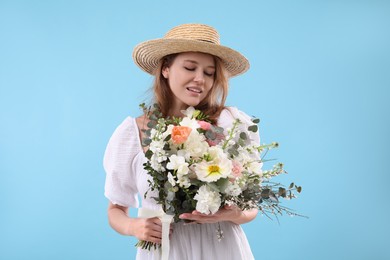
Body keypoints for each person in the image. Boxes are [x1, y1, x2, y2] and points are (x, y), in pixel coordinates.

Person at [103, 23, 260, 260]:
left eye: (209, 73)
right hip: (165, 249)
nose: (200, 79)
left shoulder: (231, 124)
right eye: (189, 67)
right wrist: (134, 227)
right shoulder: (133, 133)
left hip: (221, 248)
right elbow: (116, 209)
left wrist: (225, 214)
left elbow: (251, 208)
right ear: (165, 68)